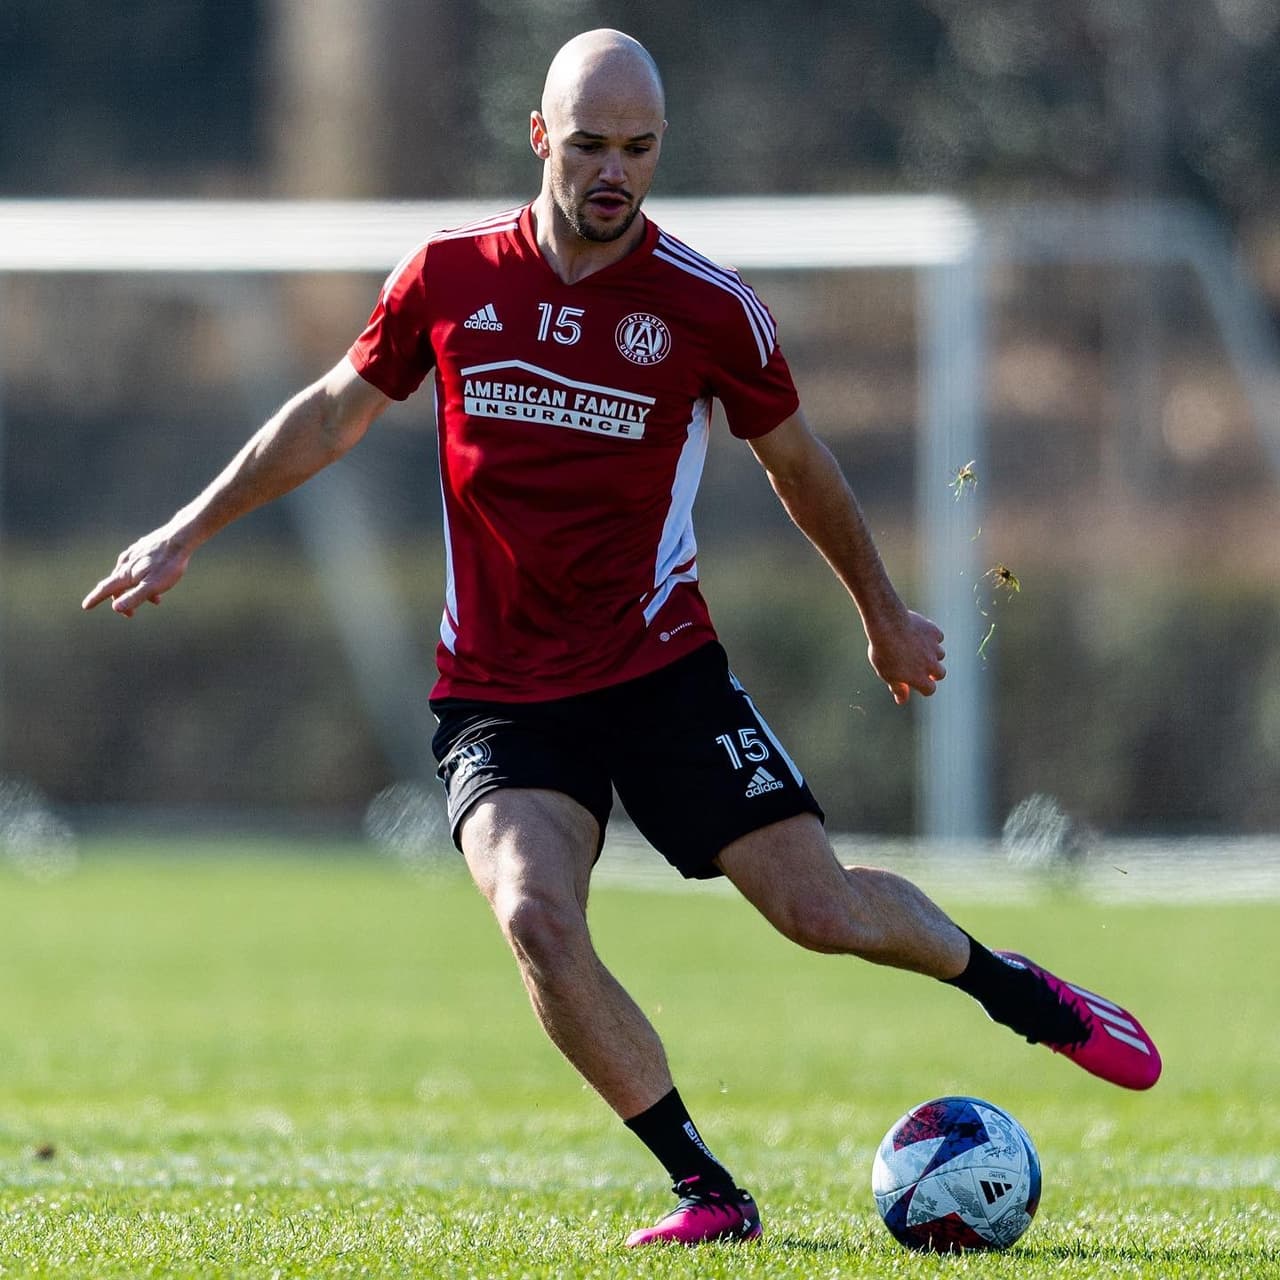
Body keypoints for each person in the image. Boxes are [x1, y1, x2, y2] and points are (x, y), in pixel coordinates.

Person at [83, 28, 1161, 1248]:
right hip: (497, 693)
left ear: (658, 151)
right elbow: (333, 413)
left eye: (636, 149)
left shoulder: (707, 308)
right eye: (588, 144)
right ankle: (705, 1186)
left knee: (820, 912)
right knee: (537, 919)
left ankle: (1019, 990)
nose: (613, 170)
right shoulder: (445, 276)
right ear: (539, 136)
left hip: (660, 671)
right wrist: (188, 526)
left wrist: (881, 611)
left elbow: (795, 463)